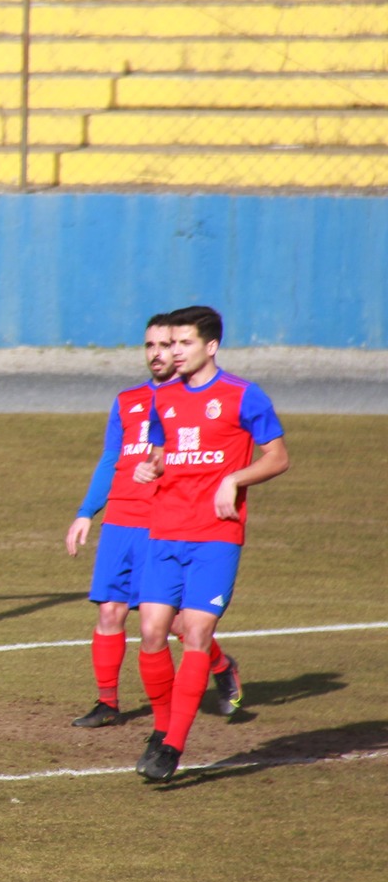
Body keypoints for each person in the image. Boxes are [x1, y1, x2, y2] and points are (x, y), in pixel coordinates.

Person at [130, 306, 288, 783]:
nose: (172, 352)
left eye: (183, 343)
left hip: (216, 536)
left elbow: (278, 458)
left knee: (196, 633)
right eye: (169, 344)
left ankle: (173, 747)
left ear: (210, 346)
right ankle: (161, 730)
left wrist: (234, 480)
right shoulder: (164, 397)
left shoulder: (243, 395)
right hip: (164, 530)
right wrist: (150, 468)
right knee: (154, 632)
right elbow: (162, 454)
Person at [65, 313, 239, 728]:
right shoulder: (127, 401)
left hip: (163, 524)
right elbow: (111, 458)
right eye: (150, 346)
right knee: (109, 611)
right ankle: (107, 702)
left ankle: (220, 666)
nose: (159, 354)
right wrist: (87, 512)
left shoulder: (190, 400)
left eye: (167, 345)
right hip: (119, 523)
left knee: (171, 622)